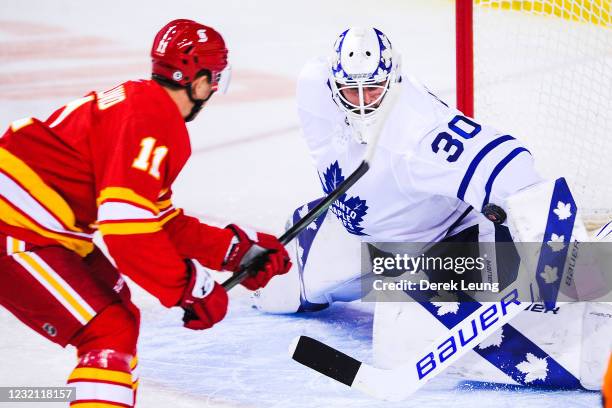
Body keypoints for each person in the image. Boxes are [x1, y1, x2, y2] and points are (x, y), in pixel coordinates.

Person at [253, 26, 612, 391]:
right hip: (355, 231)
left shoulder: (422, 131)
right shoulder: (314, 83)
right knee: (274, 290)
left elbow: (509, 162)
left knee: (396, 343)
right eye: (351, 91)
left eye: (373, 90)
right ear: (333, 84)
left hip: (440, 244)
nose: (362, 102)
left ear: (393, 81)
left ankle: (596, 283)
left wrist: (547, 243)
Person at [0, 19, 290, 407]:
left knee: (119, 318)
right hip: (18, 229)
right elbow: (127, 230)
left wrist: (234, 251)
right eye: (214, 78)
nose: (214, 88)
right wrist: (189, 287)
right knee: (107, 332)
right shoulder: (153, 119)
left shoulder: (140, 104)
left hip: (40, 227)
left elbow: (158, 220)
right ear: (199, 80)